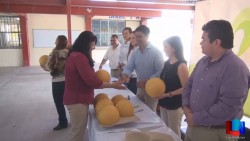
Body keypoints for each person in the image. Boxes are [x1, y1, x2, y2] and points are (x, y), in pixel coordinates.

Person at [182, 20, 250, 141]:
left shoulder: (236, 68)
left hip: (222, 130)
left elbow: (229, 107)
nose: (200, 42)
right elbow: (189, 85)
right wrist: (186, 106)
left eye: (203, 39)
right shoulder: (203, 61)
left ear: (217, 42)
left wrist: (196, 118)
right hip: (194, 123)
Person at [63, 31, 125, 141]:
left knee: (77, 131)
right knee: (77, 133)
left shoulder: (75, 54)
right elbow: (91, 81)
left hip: (76, 97)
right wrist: (113, 85)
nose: (94, 47)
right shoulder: (79, 57)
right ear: (85, 44)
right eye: (92, 44)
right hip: (77, 100)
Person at [121, 25, 164, 112]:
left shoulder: (156, 52)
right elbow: (129, 67)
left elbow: (161, 72)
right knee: (139, 110)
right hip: (140, 87)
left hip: (152, 88)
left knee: (150, 112)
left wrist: (147, 80)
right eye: (135, 36)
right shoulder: (135, 52)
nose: (137, 39)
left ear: (147, 36)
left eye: (140, 36)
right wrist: (125, 74)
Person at [157, 36, 189, 137]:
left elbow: (186, 88)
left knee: (174, 133)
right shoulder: (166, 63)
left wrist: (167, 94)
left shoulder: (181, 66)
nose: (164, 49)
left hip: (175, 104)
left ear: (174, 48)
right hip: (164, 102)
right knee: (165, 130)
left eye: (166, 47)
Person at [42, 35, 69, 130]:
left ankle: (63, 122)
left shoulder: (54, 53)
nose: (54, 43)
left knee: (59, 103)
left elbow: (48, 67)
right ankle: (76, 121)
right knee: (70, 102)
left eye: (56, 41)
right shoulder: (70, 52)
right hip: (69, 81)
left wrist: (43, 66)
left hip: (57, 82)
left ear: (58, 42)